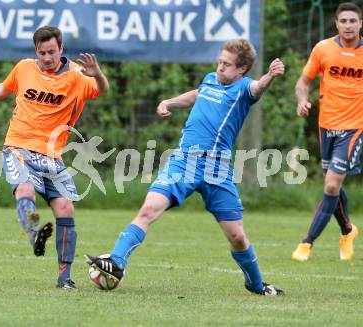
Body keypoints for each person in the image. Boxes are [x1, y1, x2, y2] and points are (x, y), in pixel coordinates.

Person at [86, 39, 285, 295]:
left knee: (236, 236)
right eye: (220, 62)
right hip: (184, 160)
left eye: (227, 64)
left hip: (217, 169)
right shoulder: (211, 78)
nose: (221, 67)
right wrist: (169, 102)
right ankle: (116, 262)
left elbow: (258, 88)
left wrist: (270, 75)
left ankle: (257, 285)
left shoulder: (244, 89)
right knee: (149, 209)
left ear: (242, 69)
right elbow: (197, 94)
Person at [0, 25, 109, 289]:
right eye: (42, 53)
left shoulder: (77, 76)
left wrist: (97, 74)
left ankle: (64, 278)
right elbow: (3, 88)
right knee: (25, 188)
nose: (47, 58)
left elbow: (102, 90)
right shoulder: (24, 68)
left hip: (53, 157)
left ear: (61, 49)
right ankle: (33, 233)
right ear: (36, 52)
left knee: (65, 208)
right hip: (18, 146)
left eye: (51, 52)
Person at [291, 2, 361, 262]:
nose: (348, 25)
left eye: (353, 21)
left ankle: (307, 242)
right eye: (343, 21)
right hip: (326, 125)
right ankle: (347, 230)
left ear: (360, 23)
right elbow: (303, 82)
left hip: (354, 128)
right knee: (333, 185)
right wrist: (302, 100)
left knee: (331, 185)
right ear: (337, 23)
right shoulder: (323, 49)